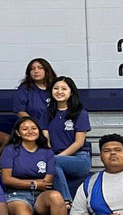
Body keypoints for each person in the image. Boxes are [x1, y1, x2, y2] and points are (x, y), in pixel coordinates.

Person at [0, 117, 72, 215]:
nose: (30, 131)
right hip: (16, 196)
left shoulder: (47, 152)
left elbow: (47, 182)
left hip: (40, 196)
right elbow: (7, 179)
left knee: (56, 196)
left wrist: (32, 184)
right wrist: (34, 184)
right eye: (25, 129)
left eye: (33, 128)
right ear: (18, 133)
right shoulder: (10, 150)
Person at [39, 76, 91, 206]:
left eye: (64, 89)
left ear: (71, 92)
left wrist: (56, 157)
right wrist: (50, 154)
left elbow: (78, 143)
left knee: (53, 161)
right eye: (56, 88)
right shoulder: (47, 112)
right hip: (56, 158)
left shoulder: (80, 113)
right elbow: (45, 138)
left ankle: (65, 200)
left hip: (80, 159)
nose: (59, 91)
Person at [13, 58, 57, 123]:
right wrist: (35, 126)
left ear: (47, 70)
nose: (36, 71)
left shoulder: (57, 86)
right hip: (34, 127)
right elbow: (20, 111)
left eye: (40, 68)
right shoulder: (24, 89)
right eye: (32, 69)